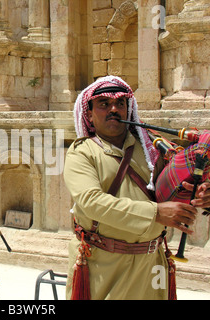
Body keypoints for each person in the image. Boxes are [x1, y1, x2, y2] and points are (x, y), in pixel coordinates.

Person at [64, 76, 210, 300]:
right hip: (104, 263)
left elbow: (177, 184)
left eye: (120, 103)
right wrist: (157, 213)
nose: (114, 109)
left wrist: (202, 193)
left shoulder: (154, 148)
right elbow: (91, 202)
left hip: (153, 263)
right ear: (90, 115)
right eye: (104, 104)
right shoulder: (82, 152)